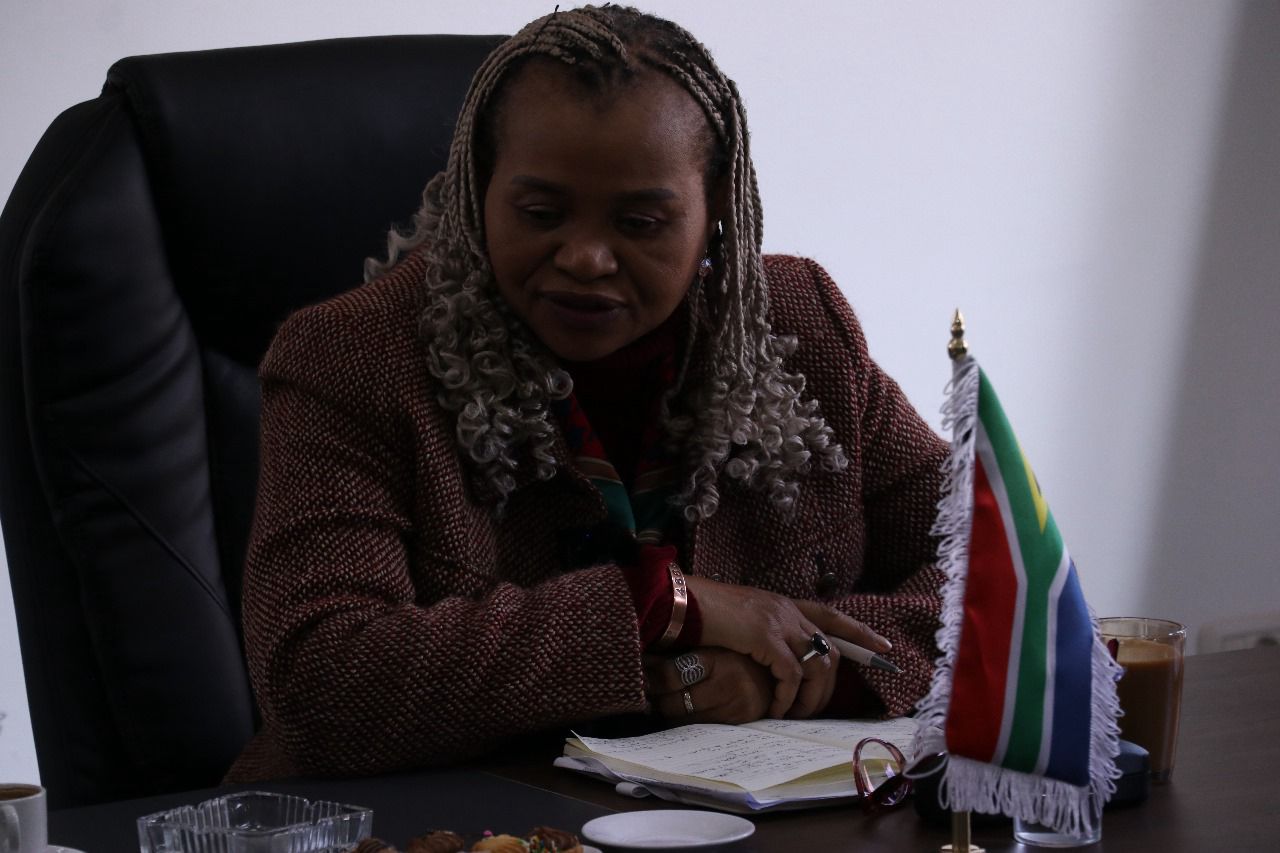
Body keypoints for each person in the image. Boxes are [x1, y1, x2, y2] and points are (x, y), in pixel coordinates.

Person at [228, 5, 947, 781]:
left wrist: (807, 670)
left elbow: (1004, 578)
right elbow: (318, 681)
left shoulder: (801, 324)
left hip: (758, 823)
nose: (586, 258)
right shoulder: (354, 355)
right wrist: (664, 605)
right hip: (442, 822)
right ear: (478, 188)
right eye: (541, 213)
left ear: (716, 212)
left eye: (640, 222)